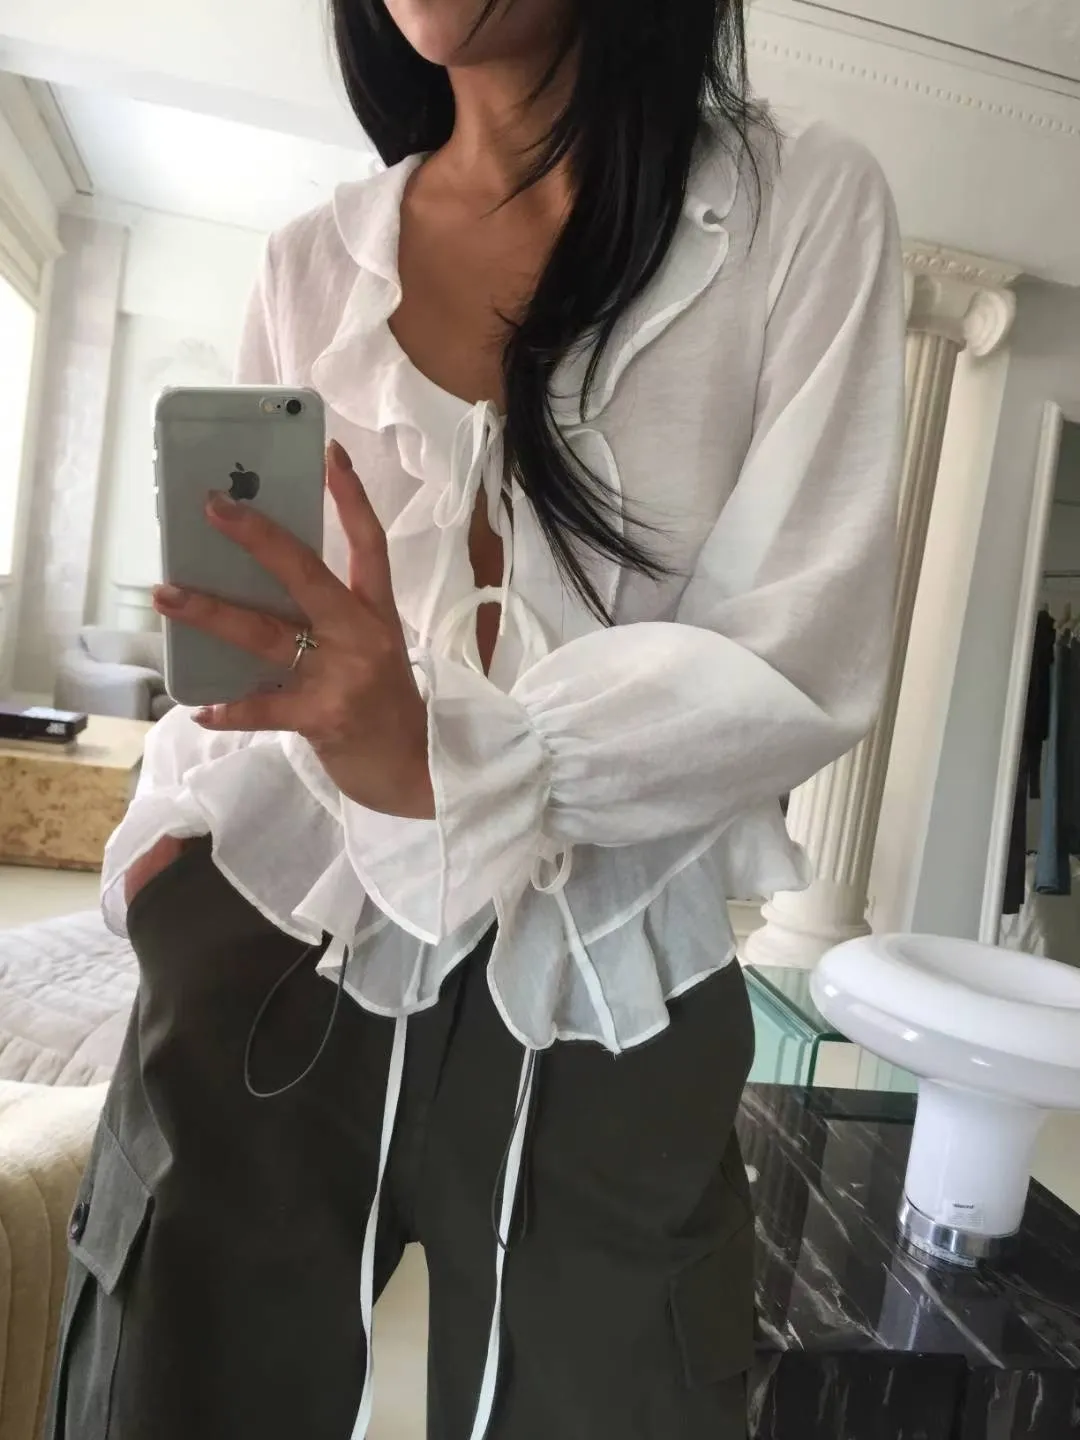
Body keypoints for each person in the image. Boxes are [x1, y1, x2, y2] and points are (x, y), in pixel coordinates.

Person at [48, 1, 905, 1437]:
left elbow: (801, 644)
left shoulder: (798, 208)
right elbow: (258, 634)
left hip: (611, 978)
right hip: (278, 939)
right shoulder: (314, 261)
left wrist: (438, 761)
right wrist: (167, 850)